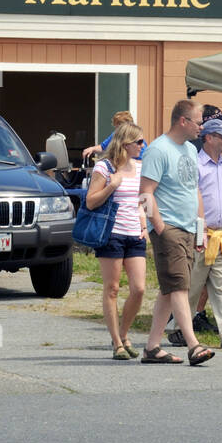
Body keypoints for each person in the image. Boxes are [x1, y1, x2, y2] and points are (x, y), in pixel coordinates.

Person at [138, 100, 214, 365]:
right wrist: (159, 227)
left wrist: (200, 228)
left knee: (169, 289)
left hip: (188, 228)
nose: (201, 128)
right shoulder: (158, 150)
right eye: (198, 122)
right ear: (183, 121)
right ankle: (193, 344)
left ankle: (152, 347)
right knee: (180, 286)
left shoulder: (191, 151)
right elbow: (145, 193)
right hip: (168, 227)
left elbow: (195, 190)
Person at [168, 118, 222, 349]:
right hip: (198, 233)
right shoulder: (194, 164)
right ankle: (178, 329)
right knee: (192, 285)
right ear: (208, 138)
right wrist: (197, 230)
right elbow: (187, 199)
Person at [86, 121, 149, 360]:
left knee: (139, 288)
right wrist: (111, 186)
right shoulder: (105, 168)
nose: (143, 146)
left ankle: (124, 333)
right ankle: (116, 343)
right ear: (126, 144)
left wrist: (145, 225)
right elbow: (91, 201)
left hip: (134, 234)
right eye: (139, 142)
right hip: (111, 234)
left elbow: (142, 200)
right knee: (112, 289)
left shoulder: (140, 168)